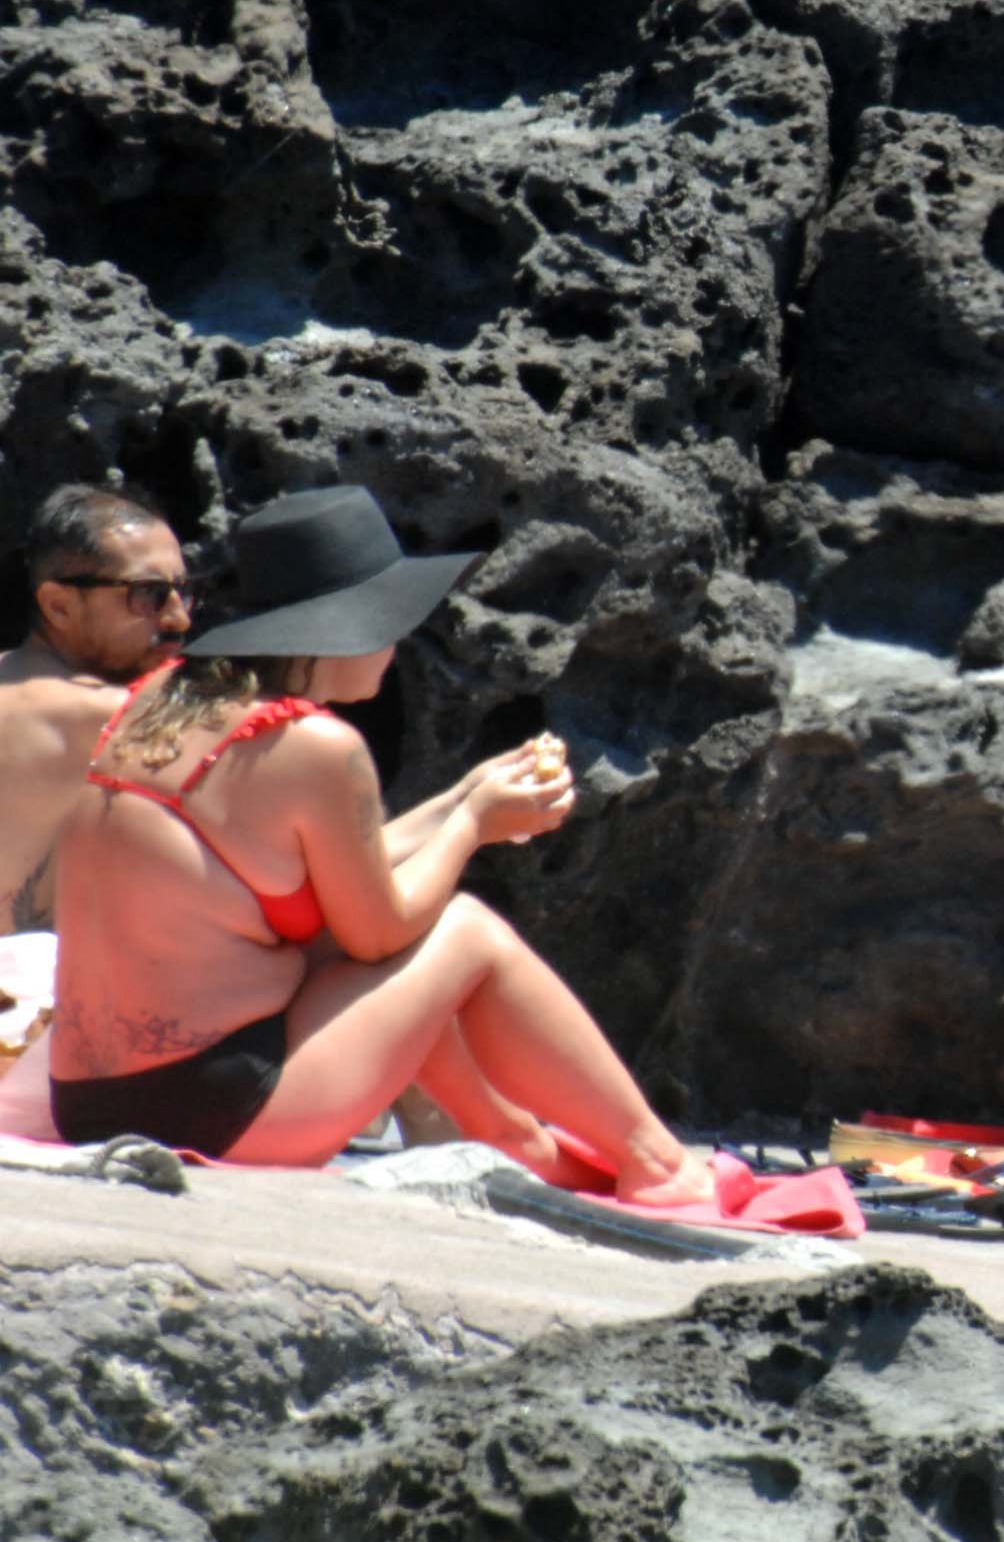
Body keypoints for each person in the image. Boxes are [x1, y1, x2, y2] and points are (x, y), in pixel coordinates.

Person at [46, 485, 715, 1205]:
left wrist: (461, 797)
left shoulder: (160, 703)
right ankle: (657, 1161)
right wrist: (471, 825)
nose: (400, 643)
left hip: (87, 1103)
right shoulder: (317, 747)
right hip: (216, 1113)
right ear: (349, 625)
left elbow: (322, 875)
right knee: (465, 930)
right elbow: (379, 931)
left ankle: (509, 1134)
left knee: (347, 942)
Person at [0, 484, 197, 931]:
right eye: (148, 593)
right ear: (59, 606)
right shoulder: (113, 716)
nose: (179, 617)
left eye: (183, 591)